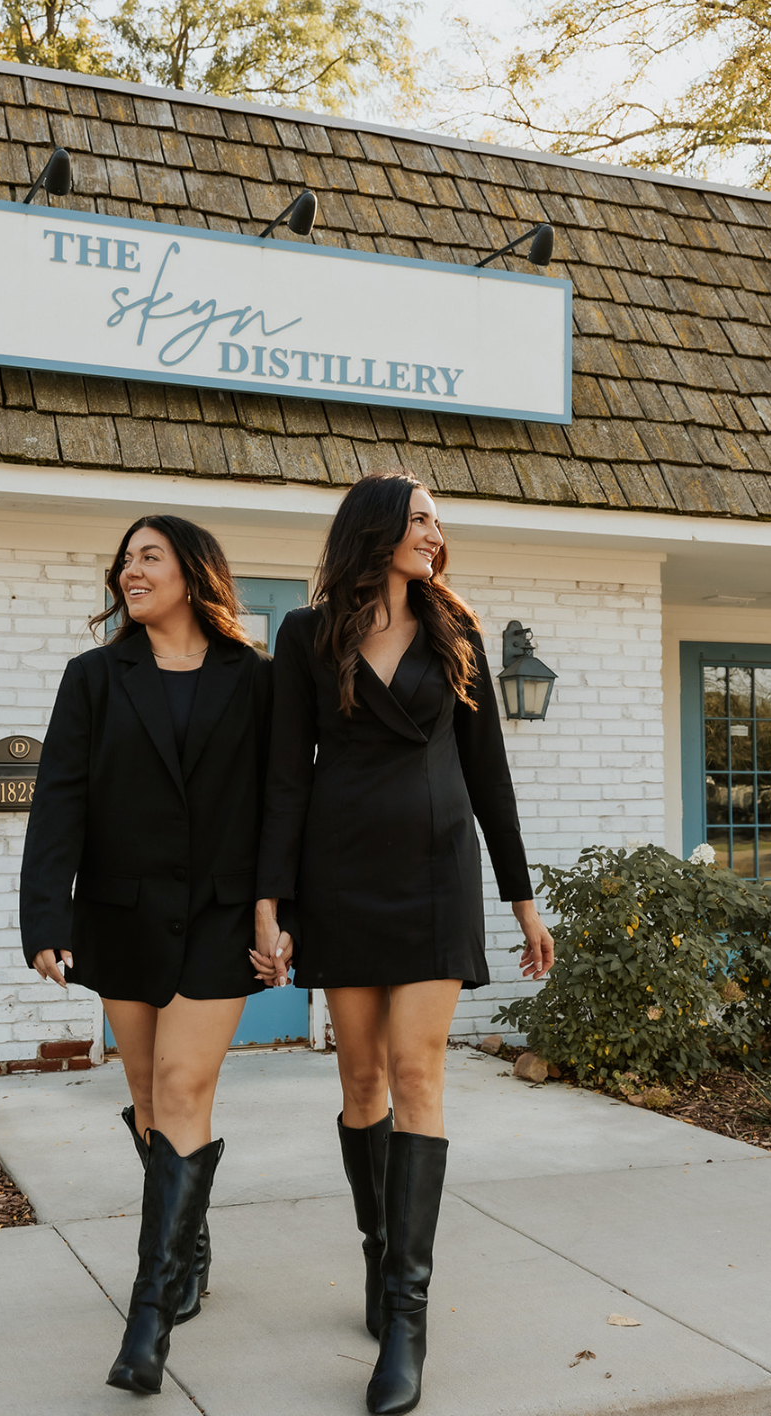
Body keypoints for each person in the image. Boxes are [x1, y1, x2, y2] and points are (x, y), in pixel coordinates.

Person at [254, 472, 554, 1416]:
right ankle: (380, 1253)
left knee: (418, 1075)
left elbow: (489, 773)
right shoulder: (306, 636)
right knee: (361, 1081)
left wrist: (522, 899)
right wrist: (271, 902)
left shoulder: (454, 632)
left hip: (434, 874)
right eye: (421, 518)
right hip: (341, 877)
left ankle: (407, 1319)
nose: (435, 532)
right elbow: (284, 777)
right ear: (377, 529)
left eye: (437, 521)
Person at [20, 513, 272, 1396]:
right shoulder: (94, 677)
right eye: (125, 561)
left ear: (193, 573)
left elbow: (281, 799)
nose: (131, 571)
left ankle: (149, 1316)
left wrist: (277, 911)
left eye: (150, 557)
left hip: (220, 917)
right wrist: (46, 917)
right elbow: (59, 798)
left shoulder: (255, 678)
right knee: (147, 1095)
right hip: (121, 915)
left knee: (181, 1086)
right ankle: (188, 1243)